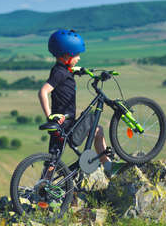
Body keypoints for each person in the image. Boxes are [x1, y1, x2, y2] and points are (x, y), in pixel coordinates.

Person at [38, 29, 116, 176]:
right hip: (65, 124)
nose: (79, 58)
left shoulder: (62, 69)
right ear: (67, 55)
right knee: (96, 126)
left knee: (53, 160)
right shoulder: (60, 73)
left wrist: (81, 71)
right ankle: (108, 166)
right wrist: (50, 116)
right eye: (77, 55)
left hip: (63, 124)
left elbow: (71, 70)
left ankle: (43, 186)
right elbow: (43, 91)